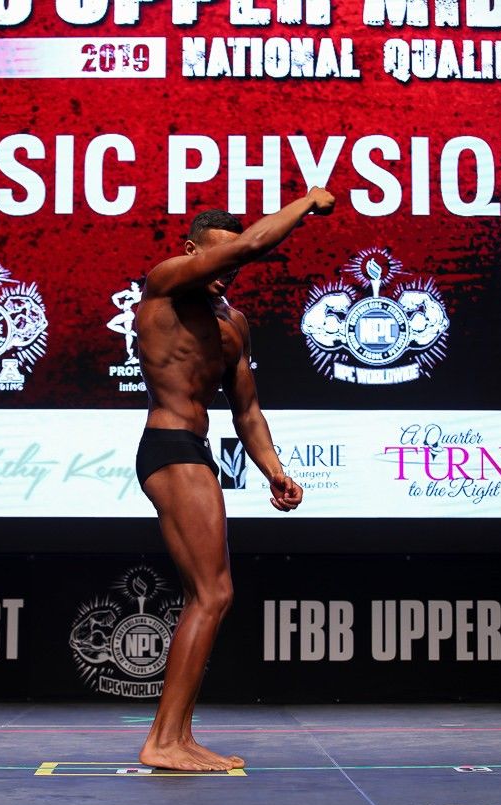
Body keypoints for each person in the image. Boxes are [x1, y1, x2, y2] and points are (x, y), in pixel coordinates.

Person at [134, 187, 336, 771]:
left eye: (233, 262)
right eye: (217, 256)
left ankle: (178, 736)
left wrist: (274, 470)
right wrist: (306, 202)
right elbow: (248, 247)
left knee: (209, 596)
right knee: (213, 593)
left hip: (193, 449)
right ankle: (163, 741)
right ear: (192, 249)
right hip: (170, 447)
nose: (228, 270)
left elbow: (246, 411)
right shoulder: (166, 282)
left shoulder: (233, 323)